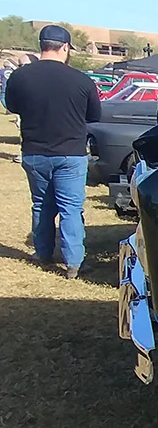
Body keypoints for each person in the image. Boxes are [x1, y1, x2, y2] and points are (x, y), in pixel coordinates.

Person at [4, 25, 101, 279]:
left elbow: (11, 105)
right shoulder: (82, 80)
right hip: (70, 153)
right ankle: (74, 263)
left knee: (41, 205)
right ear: (66, 48)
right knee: (70, 207)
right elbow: (94, 115)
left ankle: (43, 254)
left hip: (34, 150)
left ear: (42, 45)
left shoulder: (20, 77)